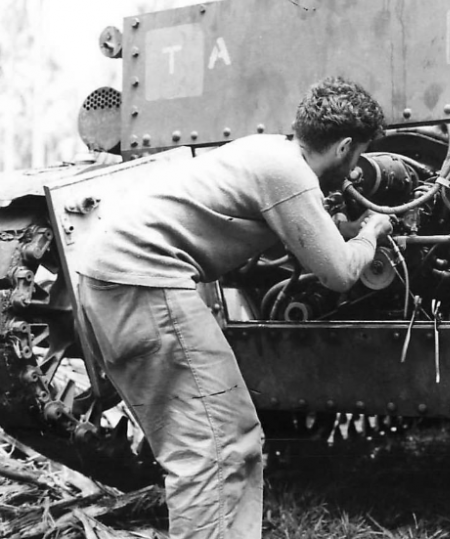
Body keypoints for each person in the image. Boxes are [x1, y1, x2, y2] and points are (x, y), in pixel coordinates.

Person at [77, 76, 392, 539]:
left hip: (107, 280)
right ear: (345, 146)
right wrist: (371, 232)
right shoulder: (289, 174)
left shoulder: (267, 149)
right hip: (145, 285)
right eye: (359, 154)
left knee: (213, 442)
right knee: (217, 448)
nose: (355, 166)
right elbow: (340, 274)